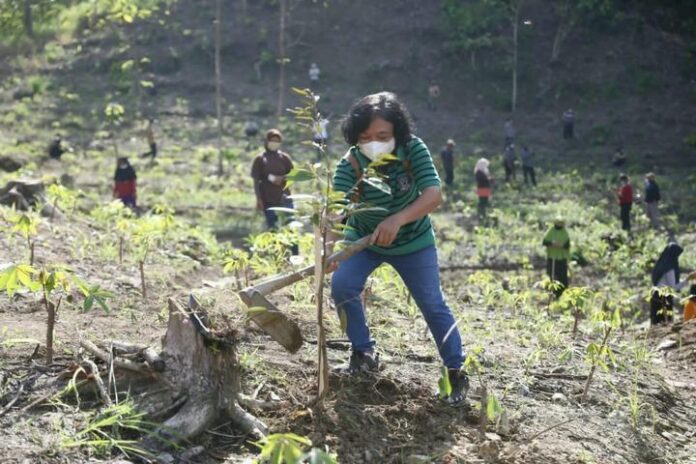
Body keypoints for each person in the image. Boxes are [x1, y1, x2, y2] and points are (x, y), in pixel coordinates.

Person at [330, 92, 468, 404]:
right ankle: (363, 353)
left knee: (432, 304)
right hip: (364, 240)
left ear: (397, 132)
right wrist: (328, 248)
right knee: (342, 285)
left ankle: (456, 371)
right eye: (365, 137)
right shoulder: (351, 163)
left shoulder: (412, 150)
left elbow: (433, 195)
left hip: (413, 242)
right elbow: (335, 211)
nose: (374, 143)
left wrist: (397, 220)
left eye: (382, 136)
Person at [250, 129, 298, 255]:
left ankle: (295, 255)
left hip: (285, 198)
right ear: (266, 141)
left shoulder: (284, 158)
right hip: (268, 199)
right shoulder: (260, 159)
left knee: (291, 226)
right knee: (273, 228)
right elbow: (256, 180)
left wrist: (282, 179)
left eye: (277, 141)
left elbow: (293, 176)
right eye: (272, 140)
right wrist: (259, 199)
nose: (274, 143)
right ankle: (277, 255)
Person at [650, 243, 696, 325]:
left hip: (656, 295)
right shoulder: (669, 269)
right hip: (664, 297)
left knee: (656, 323)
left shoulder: (661, 265)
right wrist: (688, 279)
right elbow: (673, 288)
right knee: (664, 323)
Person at [543, 219, 570, 297]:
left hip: (562, 258)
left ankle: (563, 293)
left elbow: (567, 245)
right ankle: (553, 292)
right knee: (552, 275)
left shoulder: (564, 232)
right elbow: (545, 242)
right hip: (552, 257)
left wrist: (561, 246)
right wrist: (552, 244)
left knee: (562, 276)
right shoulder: (551, 231)